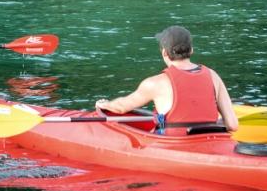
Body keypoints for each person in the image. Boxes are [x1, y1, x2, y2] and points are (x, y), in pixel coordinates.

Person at [95, 26, 239, 135]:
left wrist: (105, 104)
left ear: (164, 52)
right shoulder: (213, 76)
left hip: (175, 145)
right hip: (212, 142)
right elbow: (232, 125)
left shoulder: (155, 83)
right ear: (192, 50)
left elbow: (121, 107)